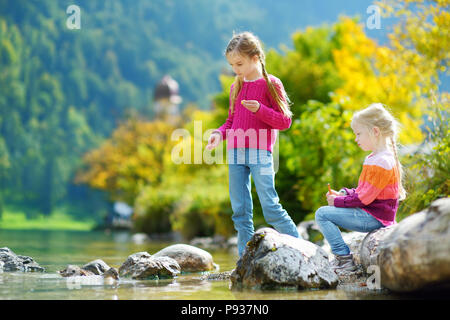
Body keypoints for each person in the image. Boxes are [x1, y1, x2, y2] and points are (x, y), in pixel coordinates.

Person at [206, 31, 300, 257]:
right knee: (240, 211)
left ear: (256, 58)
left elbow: (285, 121)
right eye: (232, 65)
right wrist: (219, 134)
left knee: (270, 207)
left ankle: (301, 249)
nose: (235, 70)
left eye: (239, 63)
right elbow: (230, 122)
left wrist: (260, 109)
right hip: (235, 153)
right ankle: (244, 260)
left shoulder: (271, 84)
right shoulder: (235, 87)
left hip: (261, 152)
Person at [315, 103, 406, 273]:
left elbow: (364, 199)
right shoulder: (373, 158)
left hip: (376, 218)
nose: (356, 139)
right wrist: (343, 193)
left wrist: (338, 202)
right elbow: (362, 190)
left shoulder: (382, 162)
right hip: (371, 213)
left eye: (358, 134)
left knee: (322, 214)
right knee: (325, 212)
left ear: (375, 132)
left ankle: (344, 259)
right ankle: (343, 258)